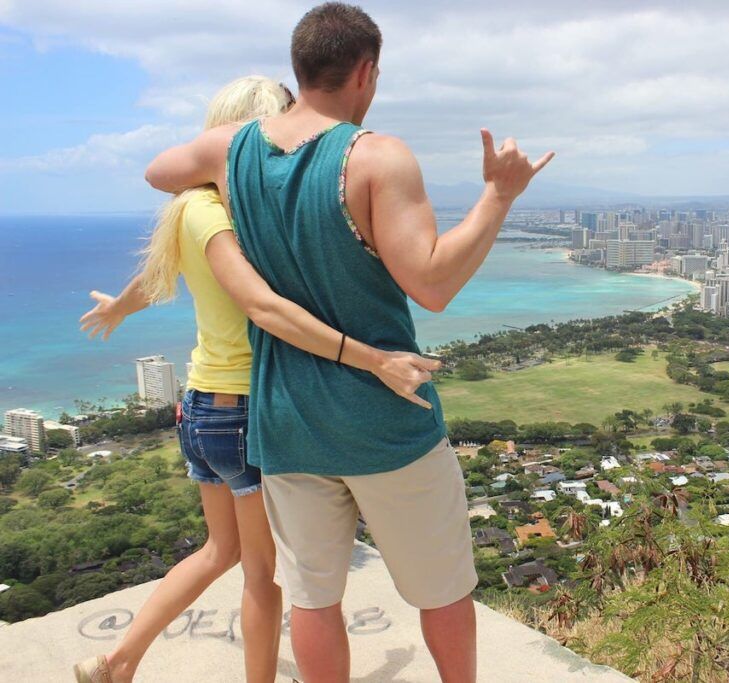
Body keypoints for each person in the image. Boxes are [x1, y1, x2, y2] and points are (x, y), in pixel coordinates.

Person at [144, 4, 554, 681]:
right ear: (366, 72)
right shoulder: (375, 158)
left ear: (298, 70)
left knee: (312, 597)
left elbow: (160, 171)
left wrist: (230, 176)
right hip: (383, 422)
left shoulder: (232, 149)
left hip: (285, 423)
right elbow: (432, 282)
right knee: (442, 590)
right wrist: (497, 197)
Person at [73, 75, 440, 683]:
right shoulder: (219, 214)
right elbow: (263, 306)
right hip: (244, 410)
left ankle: (118, 659)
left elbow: (163, 274)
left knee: (223, 551)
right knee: (261, 576)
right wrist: (371, 356)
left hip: (200, 408)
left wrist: (119, 306)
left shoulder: (191, 210)